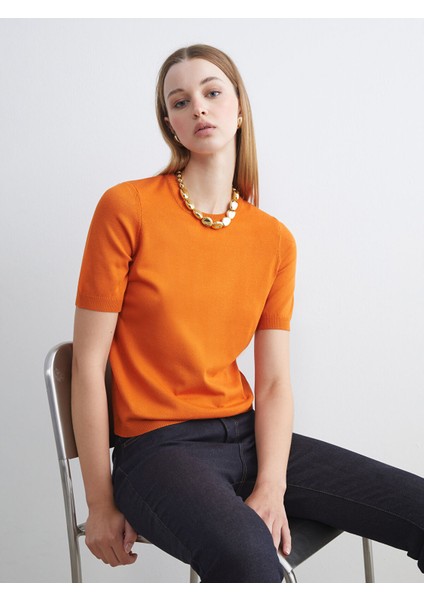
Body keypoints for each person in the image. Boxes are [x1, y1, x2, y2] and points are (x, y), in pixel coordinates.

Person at [71, 44, 424, 583]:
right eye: (180, 101)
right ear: (170, 124)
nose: (198, 107)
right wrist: (99, 502)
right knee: (248, 560)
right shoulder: (128, 208)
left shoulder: (274, 240)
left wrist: (271, 485)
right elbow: (87, 365)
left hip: (248, 435)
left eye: (212, 92)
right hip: (157, 450)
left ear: (239, 108)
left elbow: (275, 382)